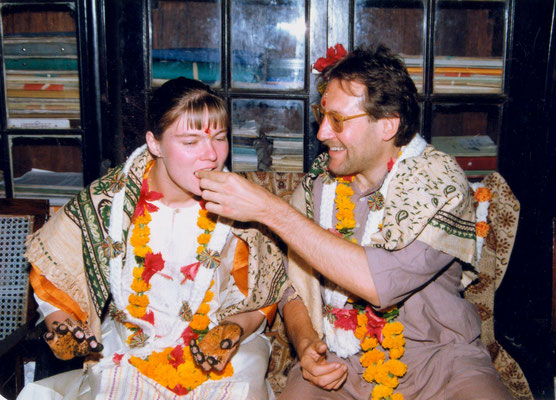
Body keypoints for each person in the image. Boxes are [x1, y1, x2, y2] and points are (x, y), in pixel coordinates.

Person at [195, 46, 513, 399]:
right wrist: (305, 345)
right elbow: (292, 287)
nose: (322, 134)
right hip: (340, 363)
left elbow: (381, 285)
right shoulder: (318, 186)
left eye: (338, 121)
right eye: (322, 115)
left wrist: (270, 209)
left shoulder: (439, 184)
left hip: (444, 365)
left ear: (388, 125)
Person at [18, 77, 289, 399]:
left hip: (222, 344)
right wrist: (61, 322)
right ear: (155, 143)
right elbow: (55, 274)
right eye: (190, 142)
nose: (211, 156)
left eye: (219, 138)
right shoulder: (110, 200)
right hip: (131, 339)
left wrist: (233, 330)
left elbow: (263, 291)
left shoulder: (242, 203)